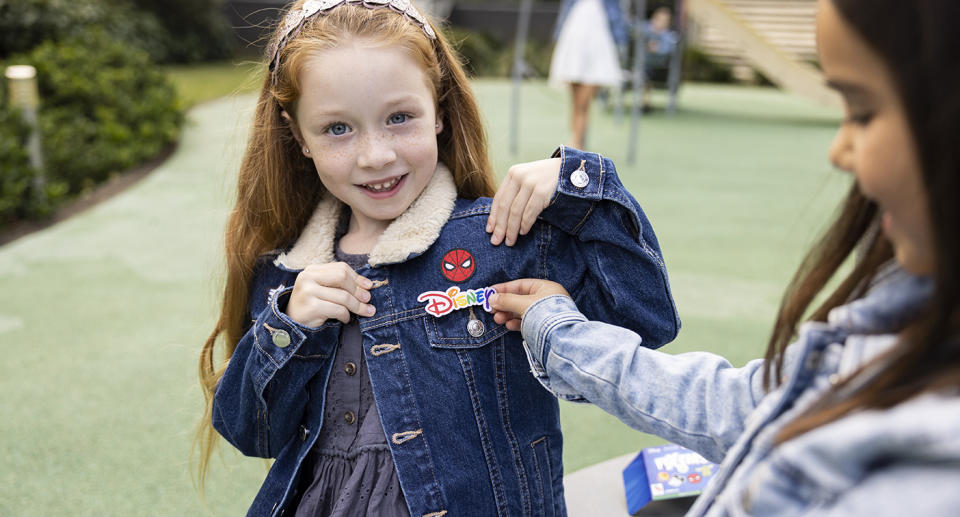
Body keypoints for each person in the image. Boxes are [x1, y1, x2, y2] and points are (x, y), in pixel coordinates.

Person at [194, 1, 680, 516]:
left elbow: (644, 321)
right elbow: (253, 431)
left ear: (440, 111)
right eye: (338, 128)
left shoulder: (505, 240)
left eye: (399, 118)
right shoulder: (286, 272)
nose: (375, 155)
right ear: (298, 136)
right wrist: (289, 324)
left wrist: (579, 189)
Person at [489, 0, 960, 514]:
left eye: (864, 112)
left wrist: (585, 192)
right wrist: (560, 330)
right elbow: (744, 404)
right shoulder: (907, 315)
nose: (839, 152)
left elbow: (650, 318)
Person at [549, 0, 630, 148]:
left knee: (583, 103)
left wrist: (621, 42)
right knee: (575, 101)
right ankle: (577, 141)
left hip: (598, 44)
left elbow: (618, 18)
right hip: (574, 40)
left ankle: (576, 143)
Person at [642, 7, 679, 111]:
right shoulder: (644, 28)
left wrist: (658, 49)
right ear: (653, 18)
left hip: (659, 67)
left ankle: (646, 102)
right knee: (645, 72)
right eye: (659, 19)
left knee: (648, 74)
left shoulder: (669, 36)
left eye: (665, 21)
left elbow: (670, 50)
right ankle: (645, 102)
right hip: (641, 64)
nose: (661, 23)